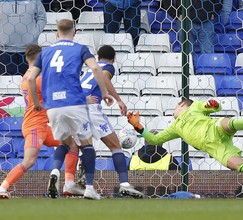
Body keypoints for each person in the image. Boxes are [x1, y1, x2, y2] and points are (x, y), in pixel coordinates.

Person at [28, 19, 113, 200]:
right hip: (75, 103)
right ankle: (89, 188)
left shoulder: (45, 53)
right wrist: (104, 92)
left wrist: (36, 102)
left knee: (65, 144)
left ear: (56, 34)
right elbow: (96, 68)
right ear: (74, 32)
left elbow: (30, 79)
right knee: (86, 144)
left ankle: (55, 172)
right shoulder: (80, 48)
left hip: (53, 107)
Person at [127, 99, 243, 181]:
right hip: (215, 147)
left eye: (175, 107)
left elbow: (213, 106)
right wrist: (138, 126)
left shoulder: (194, 107)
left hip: (214, 128)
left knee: (230, 123)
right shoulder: (175, 127)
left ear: (182, 105)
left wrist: (213, 105)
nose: (174, 110)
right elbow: (155, 140)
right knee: (237, 165)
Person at [62, 45, 144, 198]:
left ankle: (85, 186)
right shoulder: (108, 67)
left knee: (85, 147)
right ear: (113, 59)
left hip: (76, 107)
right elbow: (105, 78)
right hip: (91, 108)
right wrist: (118, 100)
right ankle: (124, 184)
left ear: (98, 57)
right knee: (114, 145)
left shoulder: (88, 69)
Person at [0, 45, 60, 199]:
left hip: (41, 126)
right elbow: (54, 98)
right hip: (35, 127)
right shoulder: (38, 79)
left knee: (71, 143)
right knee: (29, 161)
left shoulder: (27, 76)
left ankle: (70, 181)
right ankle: (2, 188)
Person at [0, 0, 46, 75]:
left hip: (29, 51)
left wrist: (33, 34)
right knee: (8, 84)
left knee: (29, 83)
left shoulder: (35, 1)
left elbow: (42, 18)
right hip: (4, 51)